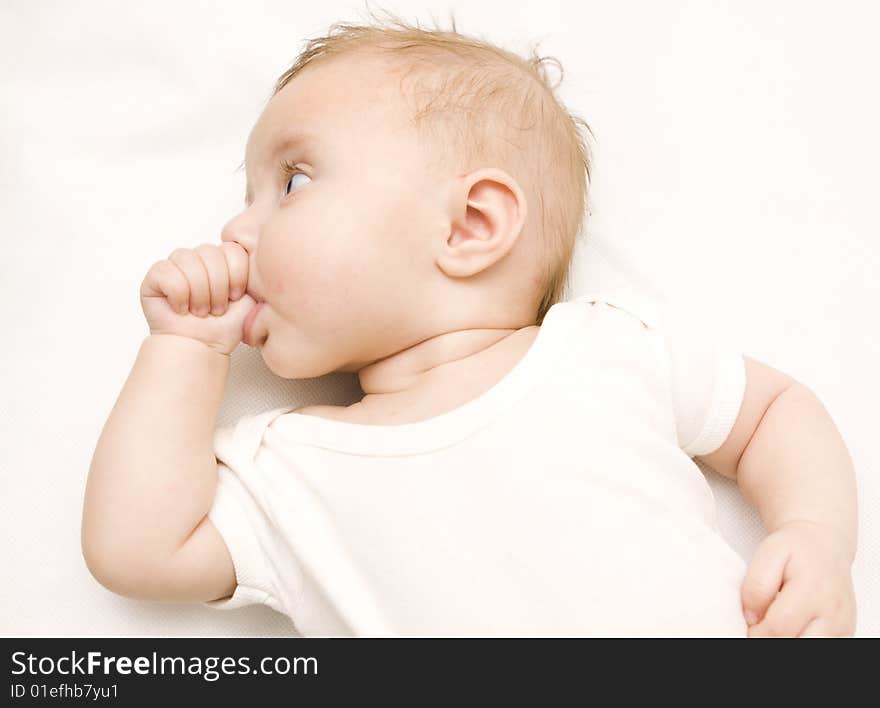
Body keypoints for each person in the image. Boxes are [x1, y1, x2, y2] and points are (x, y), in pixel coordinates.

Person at [81, 12, 857, 637]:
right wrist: (185, 349)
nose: (234, 230)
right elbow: (137, 551)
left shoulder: (606, 346)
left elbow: (774, 412)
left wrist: (816, 534)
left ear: (470, 225)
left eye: (292, 180)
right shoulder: (294, 466)